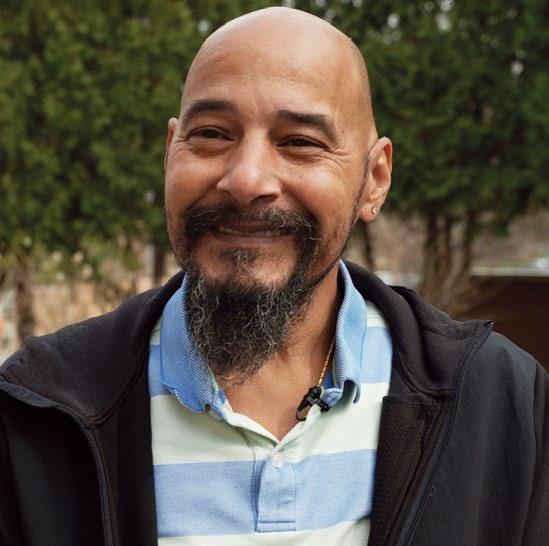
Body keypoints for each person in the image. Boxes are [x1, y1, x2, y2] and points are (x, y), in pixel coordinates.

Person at [0, 7, 547, 546]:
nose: (246, 180)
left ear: (374, 179)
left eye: (300, 142)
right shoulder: (35, 414)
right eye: (211, 134)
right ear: (170, 153)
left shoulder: (502, 404)